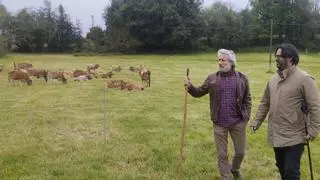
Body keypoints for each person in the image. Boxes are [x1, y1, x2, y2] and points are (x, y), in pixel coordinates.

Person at [251, 43, 320, 180]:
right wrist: (257, 121)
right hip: (277, 132)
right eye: (275, 56)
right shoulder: (272, 80)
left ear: (290, 58)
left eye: (279, 56)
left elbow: (315, 106)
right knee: (281, 166)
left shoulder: (304, 79)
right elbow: (265, 103)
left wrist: (313, 129)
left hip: (295, 134)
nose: (276, 59)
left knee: (290, 171)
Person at [184, 49, 251, 180]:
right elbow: (199, 92)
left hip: (238, 122)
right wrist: (190, 86)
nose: (220, 62)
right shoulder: (212, 78)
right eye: (219, 60)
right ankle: (225, 177)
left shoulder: (242, 78)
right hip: (219, 122)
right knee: (222, 154)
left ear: (231, 62)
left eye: (223, 60)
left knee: (240, 152)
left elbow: (247, 99)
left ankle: (235, 169)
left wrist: (246, 117)